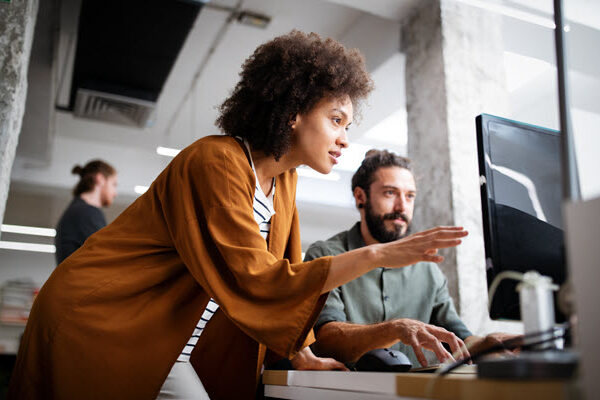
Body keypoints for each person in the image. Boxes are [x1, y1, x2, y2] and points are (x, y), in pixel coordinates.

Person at [8, 31, 468, 399]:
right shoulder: (216, 161)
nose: (345, 138)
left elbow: (286, 280)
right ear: (293, 112)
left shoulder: (283, 182)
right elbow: (258, 278)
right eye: (336, 119)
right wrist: (377, 256)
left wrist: (304, 355)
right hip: (103, 319)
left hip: (168, 343)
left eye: (348, 125)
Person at [306, 150, 513, 368]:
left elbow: (458, 339)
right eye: (389, 193)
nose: (402, 207)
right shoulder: (326, 256)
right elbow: (324, 340)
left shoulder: (428, 269)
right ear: (360, 197)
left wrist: (489, 344)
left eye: (410, 196)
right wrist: (394, 329)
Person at [54, 160, 118, 265]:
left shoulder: (78, 210)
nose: (115, 193)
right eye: (114, 184)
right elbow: (107, 257)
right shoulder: (86, 212)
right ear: (100, 179)